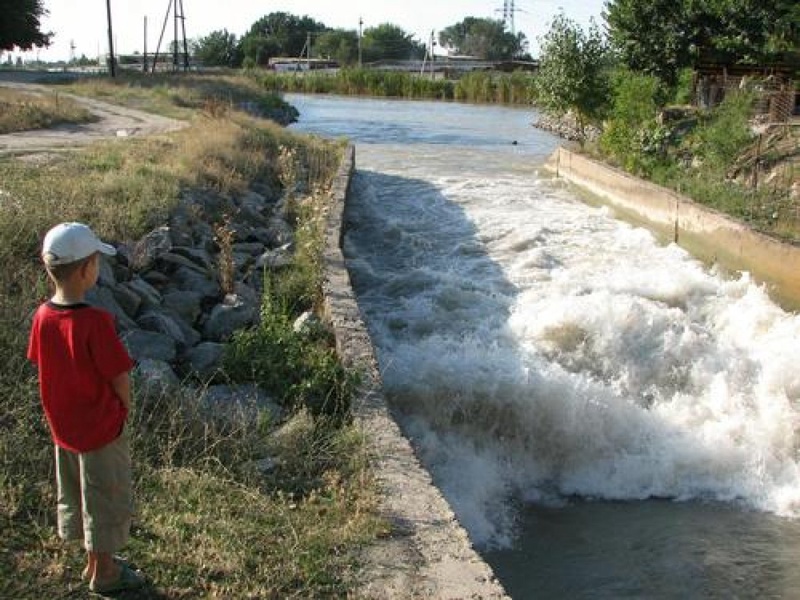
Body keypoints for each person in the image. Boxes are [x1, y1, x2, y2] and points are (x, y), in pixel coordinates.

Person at [27, 222, 144, 594]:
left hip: (64, 428)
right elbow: (119, 376)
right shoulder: (96, 322)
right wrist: (124, 409)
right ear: (86, 270)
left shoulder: (42, 316)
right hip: (100, 427)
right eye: (96, 262)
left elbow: (42, 362)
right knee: (105, 496)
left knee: (79, 492)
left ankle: (92, 561)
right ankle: (106, 573)